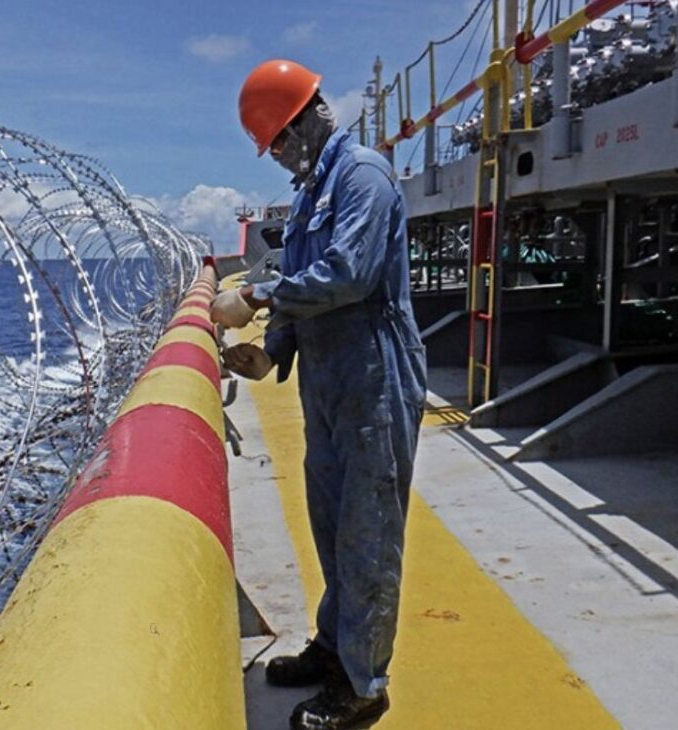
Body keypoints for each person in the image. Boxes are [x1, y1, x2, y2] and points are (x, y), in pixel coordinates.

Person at [210, 59, 427, 730]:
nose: (275, 154)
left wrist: (252, 295)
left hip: (373, 375)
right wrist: (270, 349)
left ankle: (362, 685)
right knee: (332, 528)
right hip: (329, 382)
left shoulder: (361, 176)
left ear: (305, 120)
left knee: (366, 536)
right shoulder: (311, 193)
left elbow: (348, 276)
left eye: (277, 139)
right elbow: (307, 282)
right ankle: (335, 648)